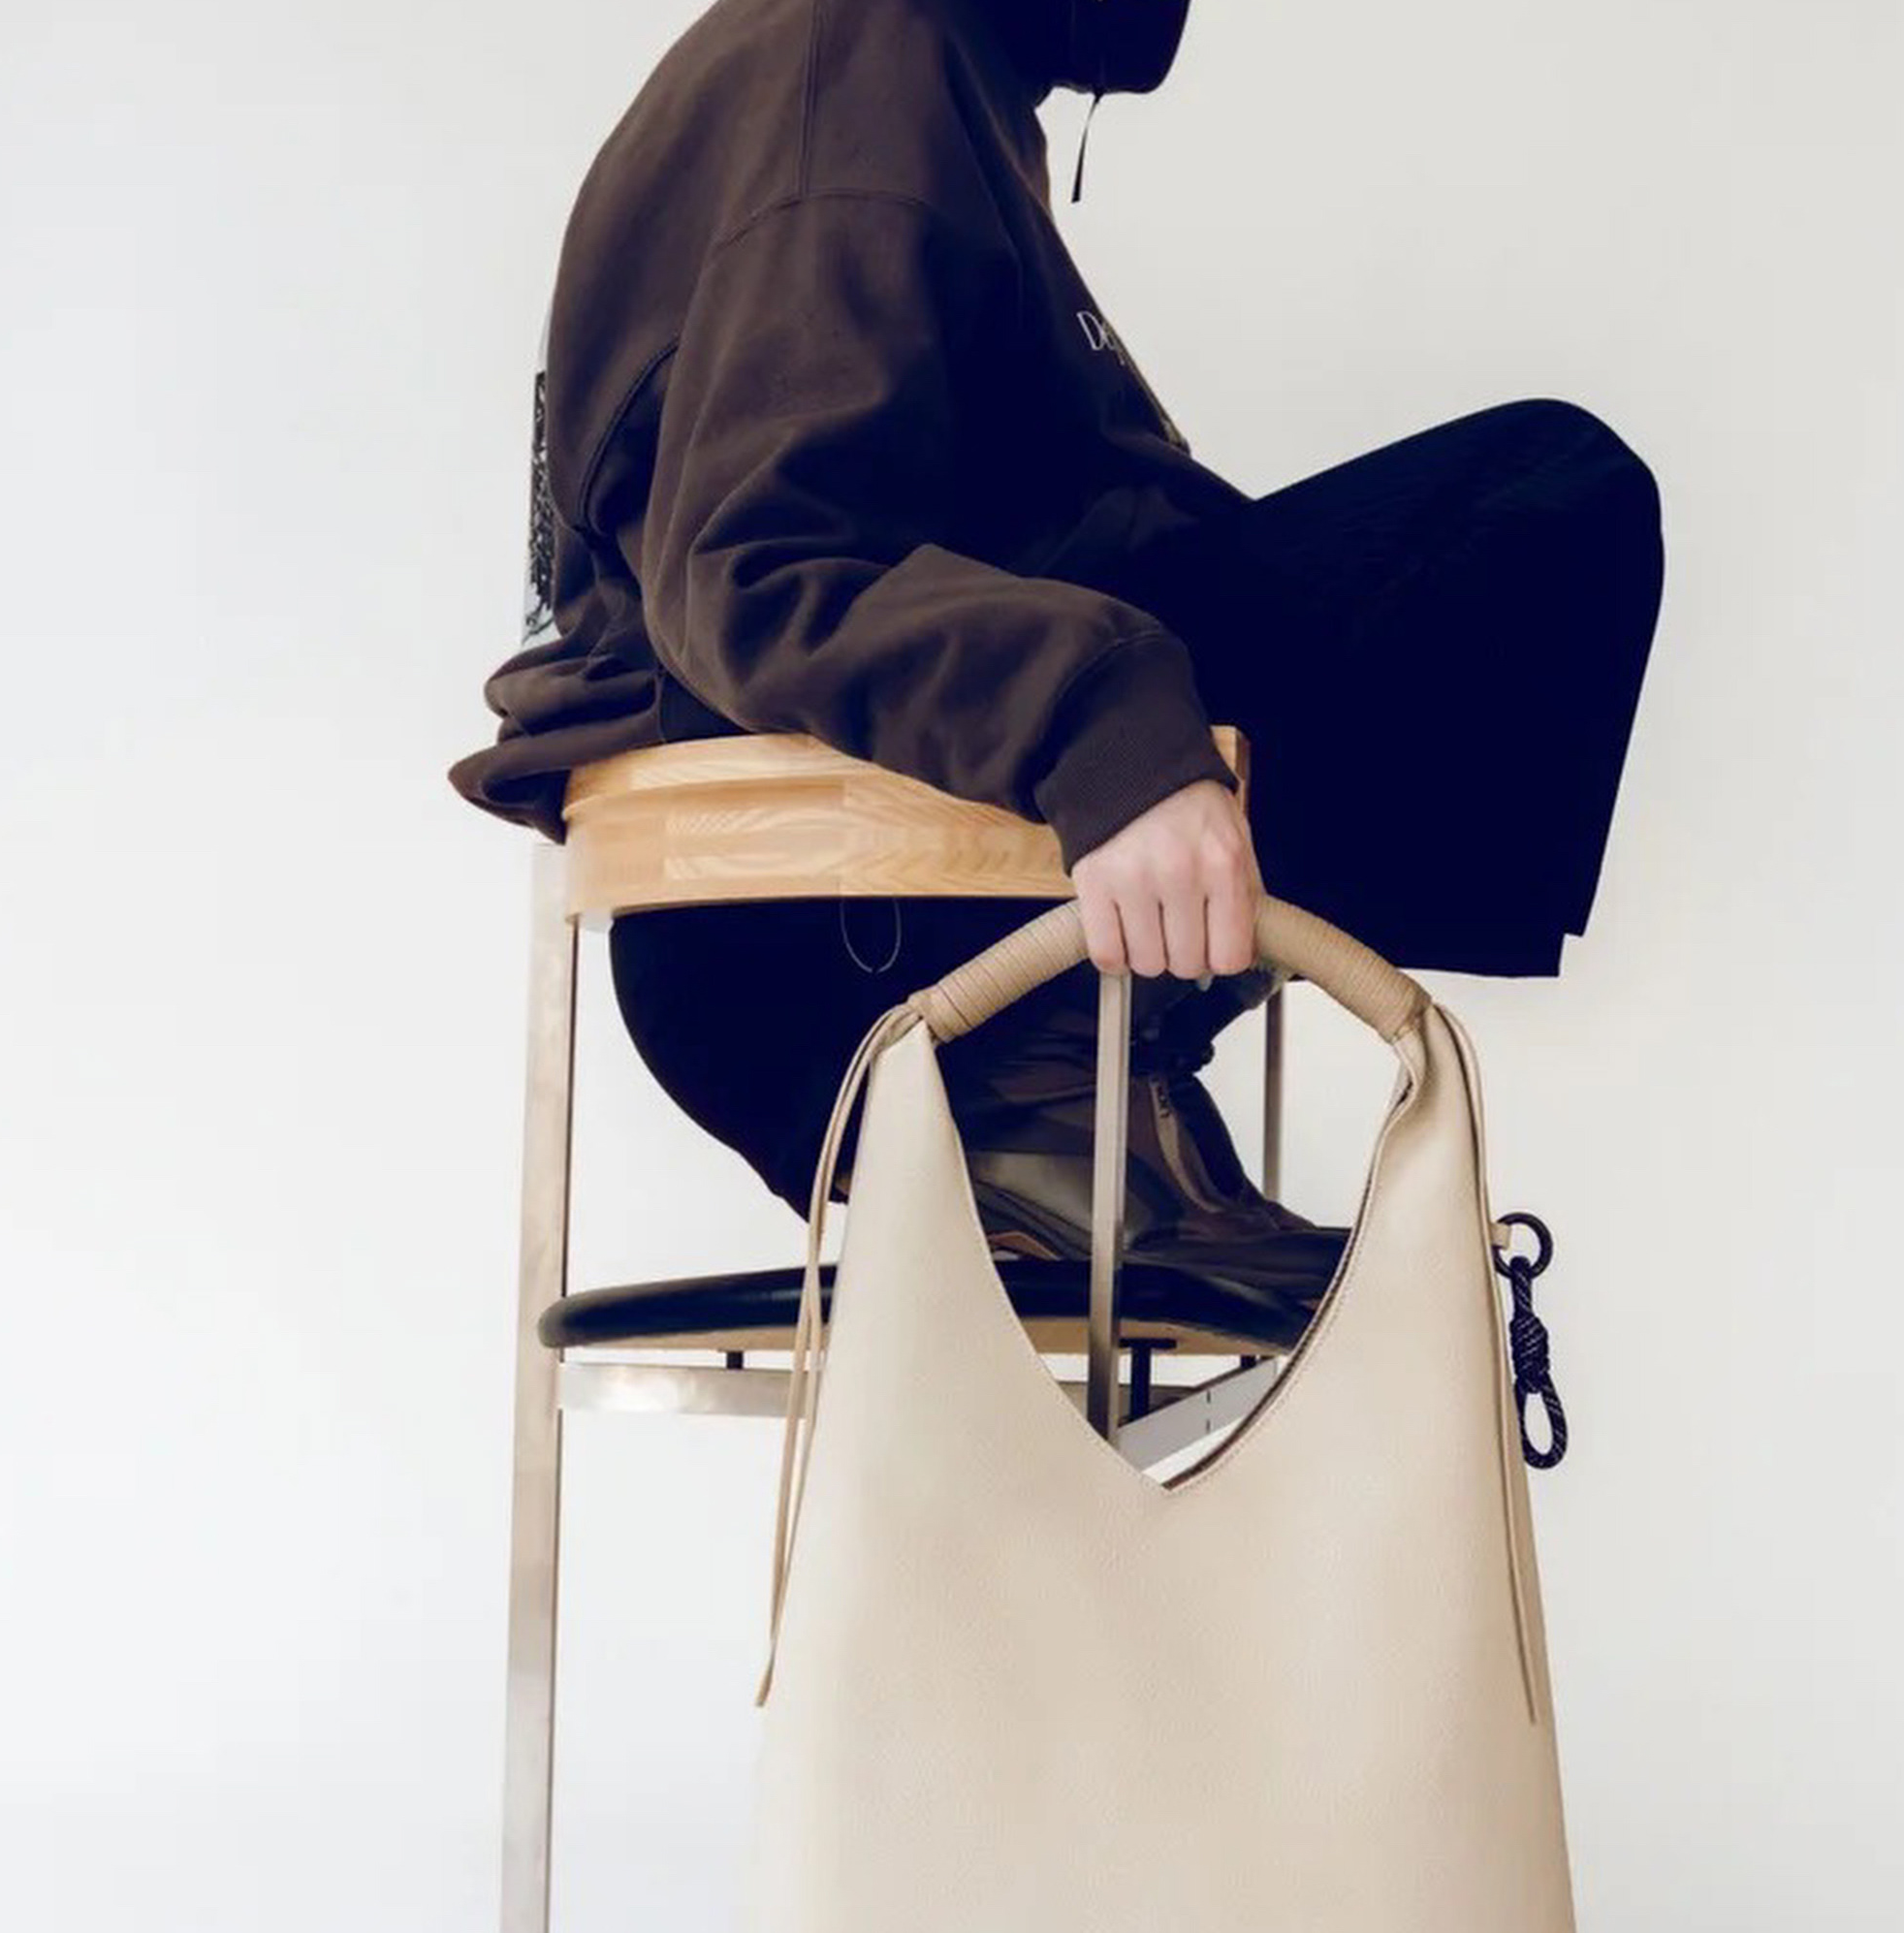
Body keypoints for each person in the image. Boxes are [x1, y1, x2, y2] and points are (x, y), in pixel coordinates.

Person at [447, 0, 1665, 1284]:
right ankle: (1035, 1078)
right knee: (1540, 499)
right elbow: (753, 570)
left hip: (853, 894)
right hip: (811, 928)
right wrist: (1104, 720)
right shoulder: (856, 50)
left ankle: (1084, 1071)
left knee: (1519, 526)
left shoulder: (929, 74)